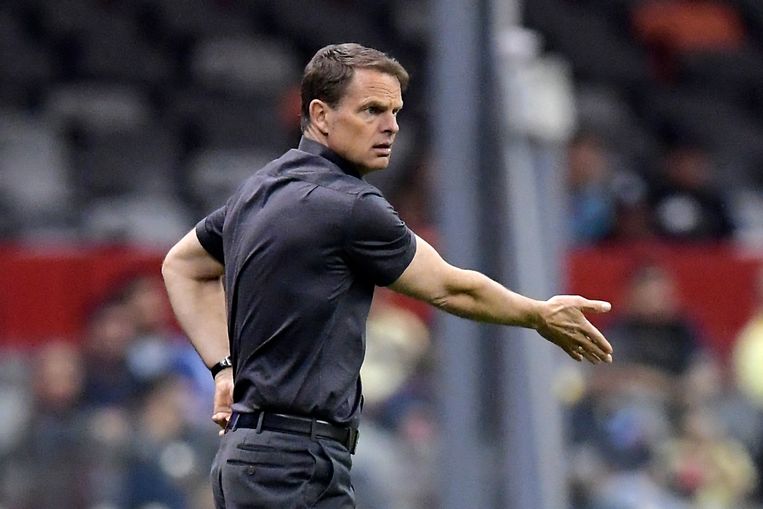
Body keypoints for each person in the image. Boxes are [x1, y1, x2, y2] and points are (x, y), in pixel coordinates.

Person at [162, 42, 614, 509]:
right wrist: (537, 314)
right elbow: (451, 287)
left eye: (395, 112)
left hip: (249, 457)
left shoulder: (257, 190)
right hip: (293, 464)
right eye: (372, 110)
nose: (392, 126)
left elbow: (182, 265)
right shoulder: (350, 206)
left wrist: (224, 369)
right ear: (320, 115)